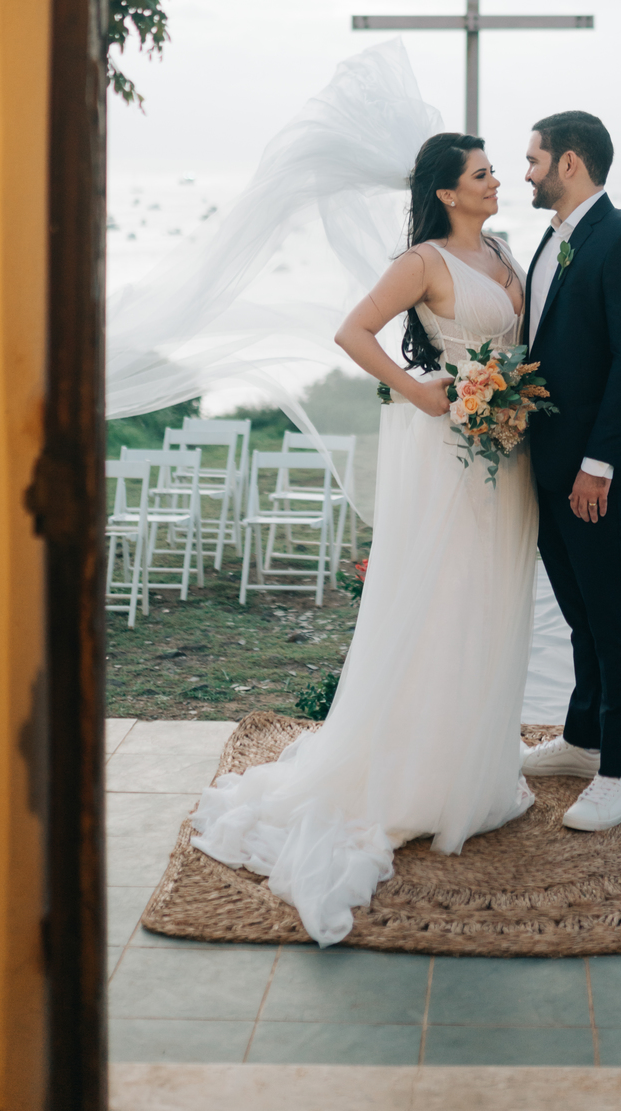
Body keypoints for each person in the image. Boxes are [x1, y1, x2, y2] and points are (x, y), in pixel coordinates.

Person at [189, 130, 538, 946]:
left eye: (494, 173)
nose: (497, 184)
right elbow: (353, 332)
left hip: (507, 448)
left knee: (492, 600)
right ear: (449, 191)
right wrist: (420, 392)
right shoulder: (421, 261)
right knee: (443, 600)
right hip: (450, 444)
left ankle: (473, 768)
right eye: (484, 175)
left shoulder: (503, 250)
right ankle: (419, 775)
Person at [519, 112, 621, 832]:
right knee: (580, 612)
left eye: (534, 159)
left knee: (613, 619)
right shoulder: (554, 239)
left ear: (571, 163)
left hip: (599, 471)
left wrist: (597, 465)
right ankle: (584, 740)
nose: (526, 172)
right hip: (552, 463)